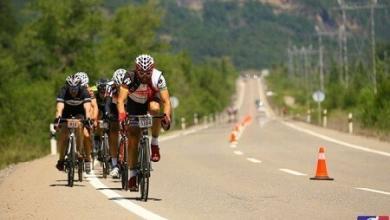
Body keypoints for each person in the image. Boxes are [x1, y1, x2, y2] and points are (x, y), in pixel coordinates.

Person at [117, 54, 171, 191]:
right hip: (134, 104)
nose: (145, 76)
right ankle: (133, 175)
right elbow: (121, 100)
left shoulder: (158, 77)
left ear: (152, 70)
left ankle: (154, 143)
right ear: (136, 70)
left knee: (156, 110)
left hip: (151, 100)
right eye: (141, 72)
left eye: (148, 73)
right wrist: (122, 115)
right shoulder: (129, 77)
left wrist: (166, 116)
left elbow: (166, 101)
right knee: (133, 139)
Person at [54, 75, 92, 171]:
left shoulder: (84, 91)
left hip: (79, 113)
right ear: (67, 87)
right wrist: (57, 119)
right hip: (67, 113)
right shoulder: (63, 91)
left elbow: (87, 108)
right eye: (71, 89)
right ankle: (61, 159)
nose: (73, 91)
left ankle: (79, 152)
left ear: (79, 87)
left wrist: (87, 119)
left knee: (79, 125)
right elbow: (60, 108)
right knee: (63, 136)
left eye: (75, 89)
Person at [95, 77, 120, 178]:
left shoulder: (111, 90)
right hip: (102, 109)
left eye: (103, 90)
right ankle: (97, 138)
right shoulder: (95, 93)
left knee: (112, 128)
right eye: (100, 90)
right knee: (99, 119)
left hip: (112, 109)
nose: (102, 92)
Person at [74, 72, 98, 174]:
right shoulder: (72, 89)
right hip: (75, 113)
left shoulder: (90, 91)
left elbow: (94, 106)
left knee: (86, 135)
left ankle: (88, 158)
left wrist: (93, 119)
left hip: (86, 114)